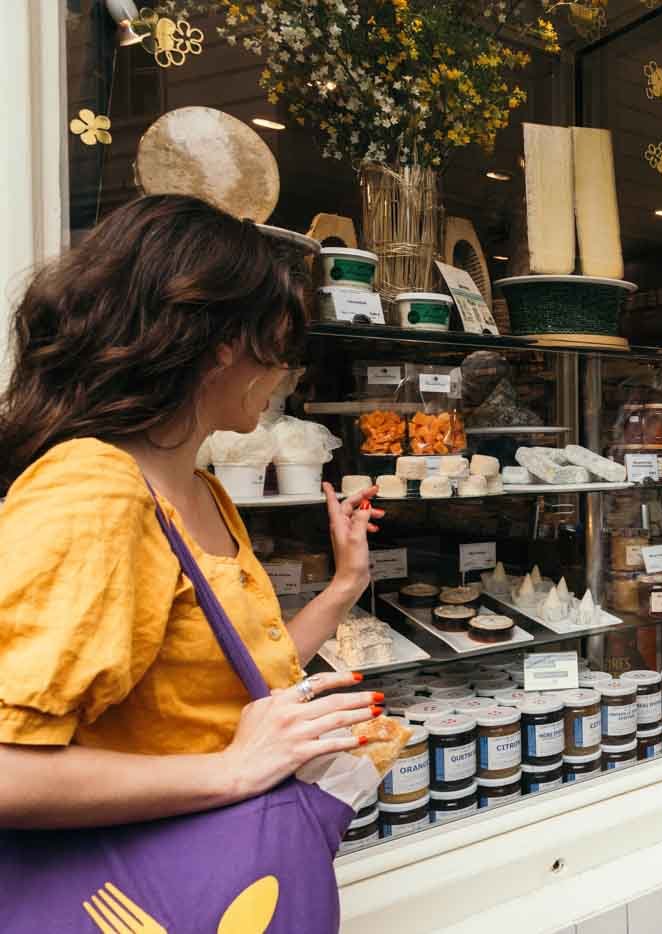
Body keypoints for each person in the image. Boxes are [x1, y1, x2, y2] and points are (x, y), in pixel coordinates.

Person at [0, 194, 386, 832]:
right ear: (224, 348)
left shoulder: (202, 490)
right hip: (141, 891)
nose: (286, 372)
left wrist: (346, 585)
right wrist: (234, 770)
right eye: (281, 347)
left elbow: (223, 683)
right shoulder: (94, 490)